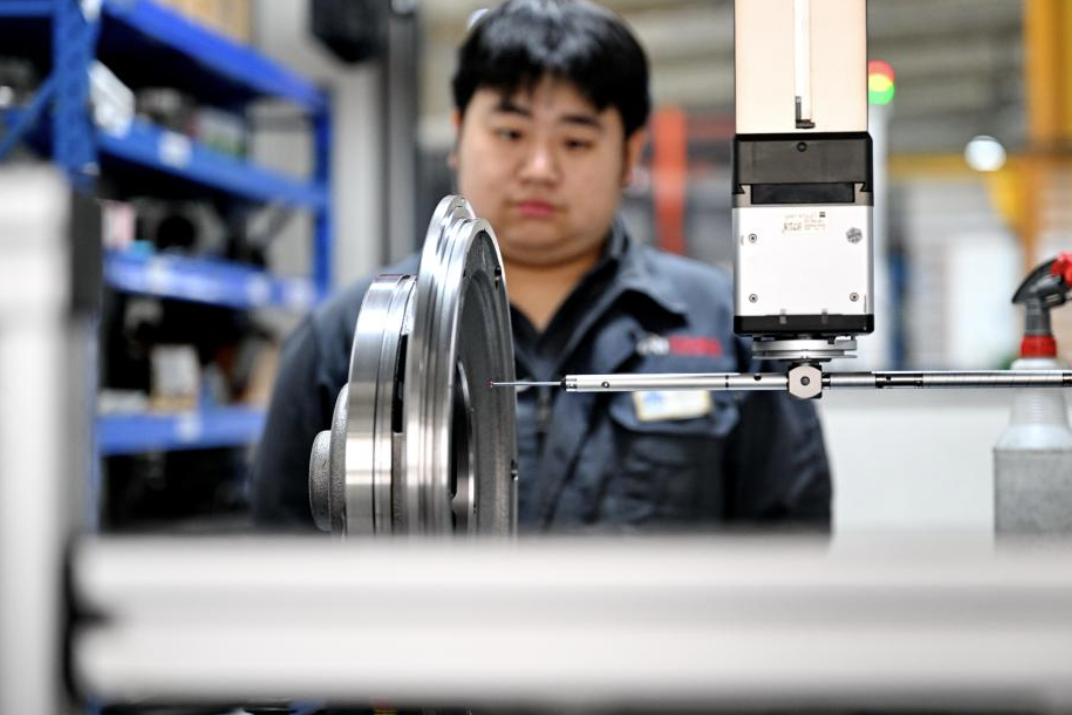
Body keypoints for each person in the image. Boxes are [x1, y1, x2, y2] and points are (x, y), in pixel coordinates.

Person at [252, 0, 832, 533]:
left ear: (629, 155)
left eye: (575, 142)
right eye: (509, 132)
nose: (538, 167)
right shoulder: (355, 333)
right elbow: (286, 552)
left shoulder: (721, 324)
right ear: (459, 136)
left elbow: (788, 535)